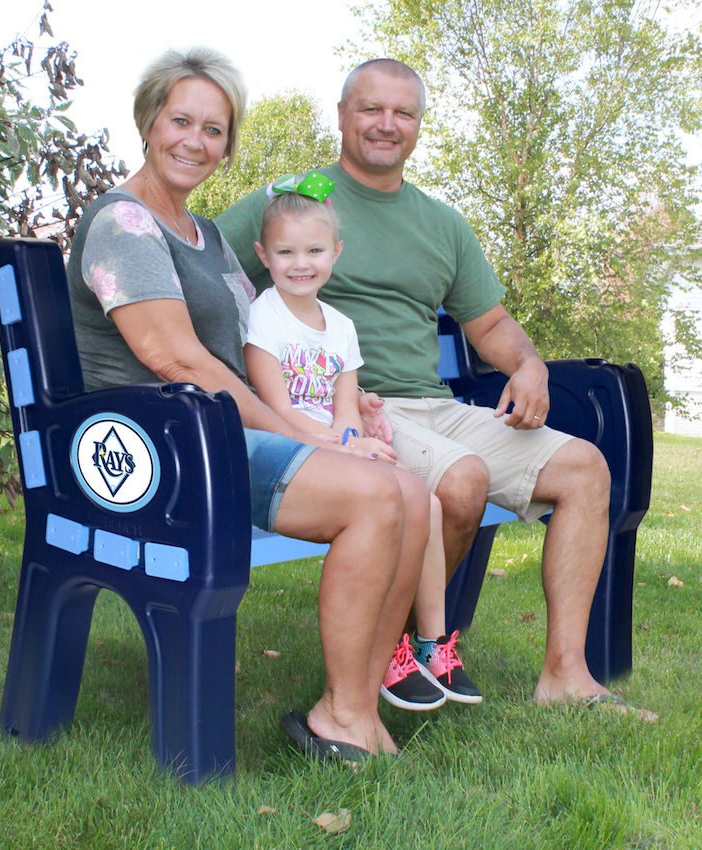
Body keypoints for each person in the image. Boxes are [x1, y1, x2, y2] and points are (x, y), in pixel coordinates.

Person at [217, 58, 657, 721]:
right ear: (342, 116)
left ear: (419, 126)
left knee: (584, 470)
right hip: (353, 409)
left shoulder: (441, 223)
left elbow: (490, 323)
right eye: (371, 109)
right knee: (461, 481)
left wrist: (528, 364)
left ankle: (565, 674)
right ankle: (404, 651)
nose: (386, 125)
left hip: (439, 406)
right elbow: (203, 268)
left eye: (404, 113)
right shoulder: (294, 203)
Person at [66, 46, 439, 761]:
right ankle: (348, 715)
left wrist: (345, 405)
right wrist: (310, 439)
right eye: (181, 120)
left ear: (228, 144)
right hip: (158, 443)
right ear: (148, 122)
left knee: (411, 492)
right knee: (372, 496)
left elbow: (256, 349)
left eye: (214, 129)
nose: (195, 141)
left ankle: (351, 705)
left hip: (214, 429)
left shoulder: (204, 236)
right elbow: (174, 358)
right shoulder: (124, 223)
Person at [243, 174, 481, 708]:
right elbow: (276, 408)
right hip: (294, 446)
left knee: (428, 501)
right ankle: (387, 653)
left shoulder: (342, 327)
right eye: (285, 251)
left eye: (314, 250)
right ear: (263, 254)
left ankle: (430, 643)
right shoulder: (264, 316)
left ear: (336, 253)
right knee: (390, 498)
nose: (300, 263)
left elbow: (345, 403)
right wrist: (346, 447)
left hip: (337, 444)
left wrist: (356, 439)